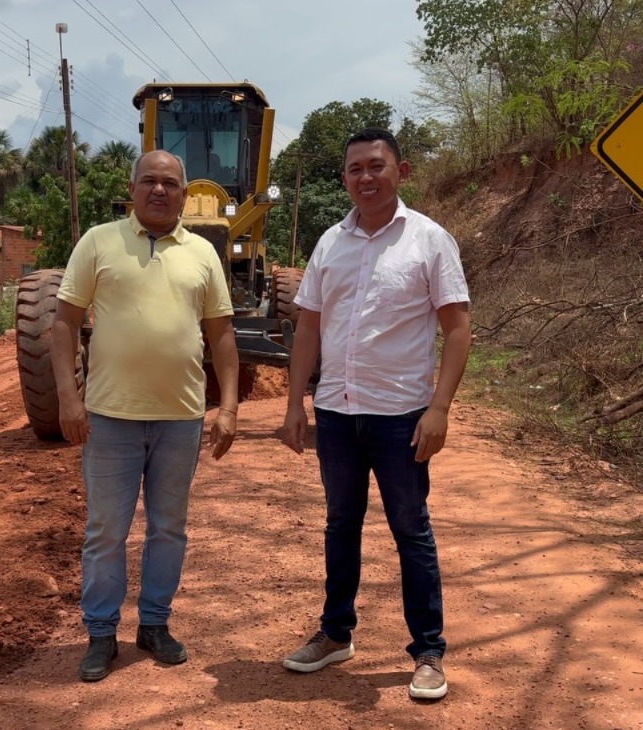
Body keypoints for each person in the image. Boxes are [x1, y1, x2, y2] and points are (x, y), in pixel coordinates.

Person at [281, 128, 470, 700]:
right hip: (337, 413)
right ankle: (335, 633)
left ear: (401, 171)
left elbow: (457, 328)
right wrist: (295, 402)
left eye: (376, 166)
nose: (365, 177)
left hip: (400, 416)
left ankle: (428, 651)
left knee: (411, 530)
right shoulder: (329, 243)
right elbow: (309, 328)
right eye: (355, 169)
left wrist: (439, 408)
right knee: (341, 524)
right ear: (344, 178)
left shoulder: (429, 240)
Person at [51, 150, 239, 683]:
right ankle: (101, 633)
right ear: (132, 188)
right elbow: (64, 323)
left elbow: (222, 334)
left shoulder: (203, 253)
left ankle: (154, 624)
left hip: (181, 418)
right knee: (106, 531)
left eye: (170, 183)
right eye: (149, 181)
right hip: (110, 417)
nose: (159, 190)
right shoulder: (98, 242)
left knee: (168, 529)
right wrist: (69, 398)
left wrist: (227, 407)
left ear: (185, 193)